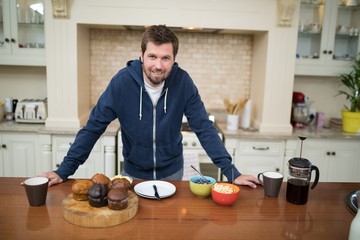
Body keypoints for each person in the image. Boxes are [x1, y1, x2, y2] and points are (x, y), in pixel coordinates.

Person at [40, 25, 261, 188]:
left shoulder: (183, 83)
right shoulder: (122, 83)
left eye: (166, 58)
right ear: (141, 55)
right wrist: (64, 170)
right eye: (152, 56)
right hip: (133, 173)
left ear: (174, 59)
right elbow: (93, 128)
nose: (158, 65)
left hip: (173, 172)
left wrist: (232, 172)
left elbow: (204, 128)